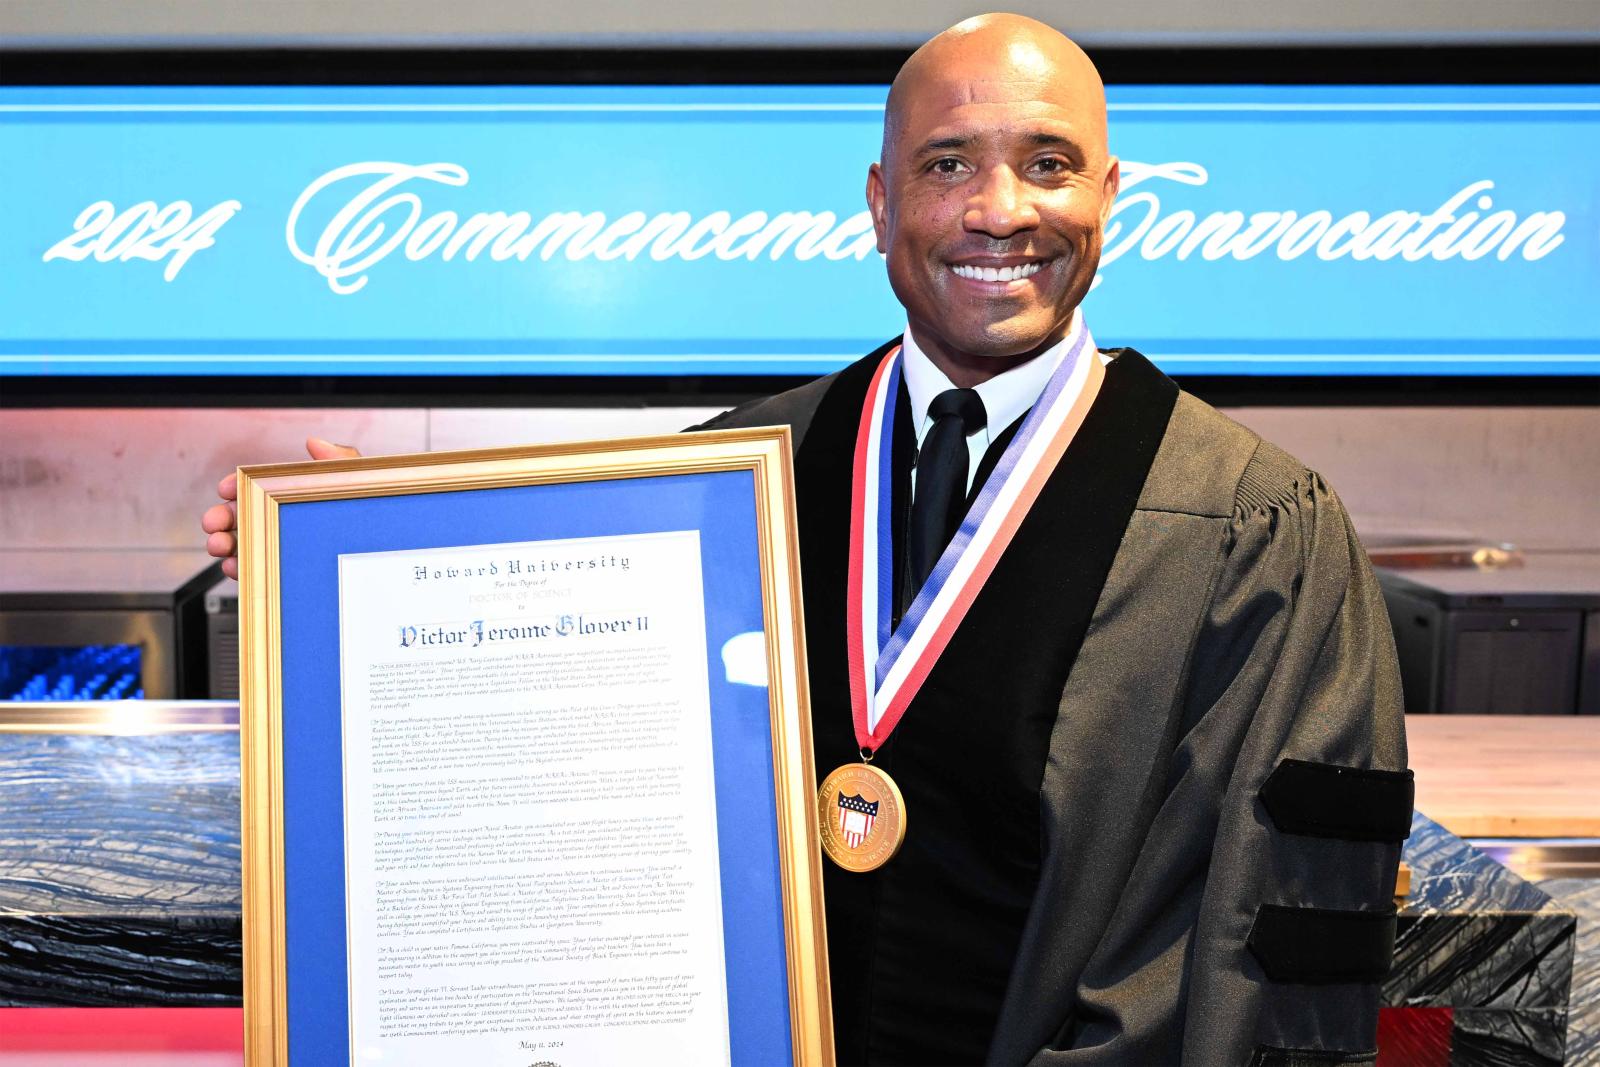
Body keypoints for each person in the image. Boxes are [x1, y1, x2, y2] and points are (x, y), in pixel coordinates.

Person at [204, 14, 1410, 1066]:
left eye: (1048, 164)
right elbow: (560, 706)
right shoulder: (743, 466)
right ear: (882, 202)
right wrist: (352, 555)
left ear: (1109, 196)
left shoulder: (1251, 523)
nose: (1002, 210)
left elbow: (1262, 923)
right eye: (948, 165)